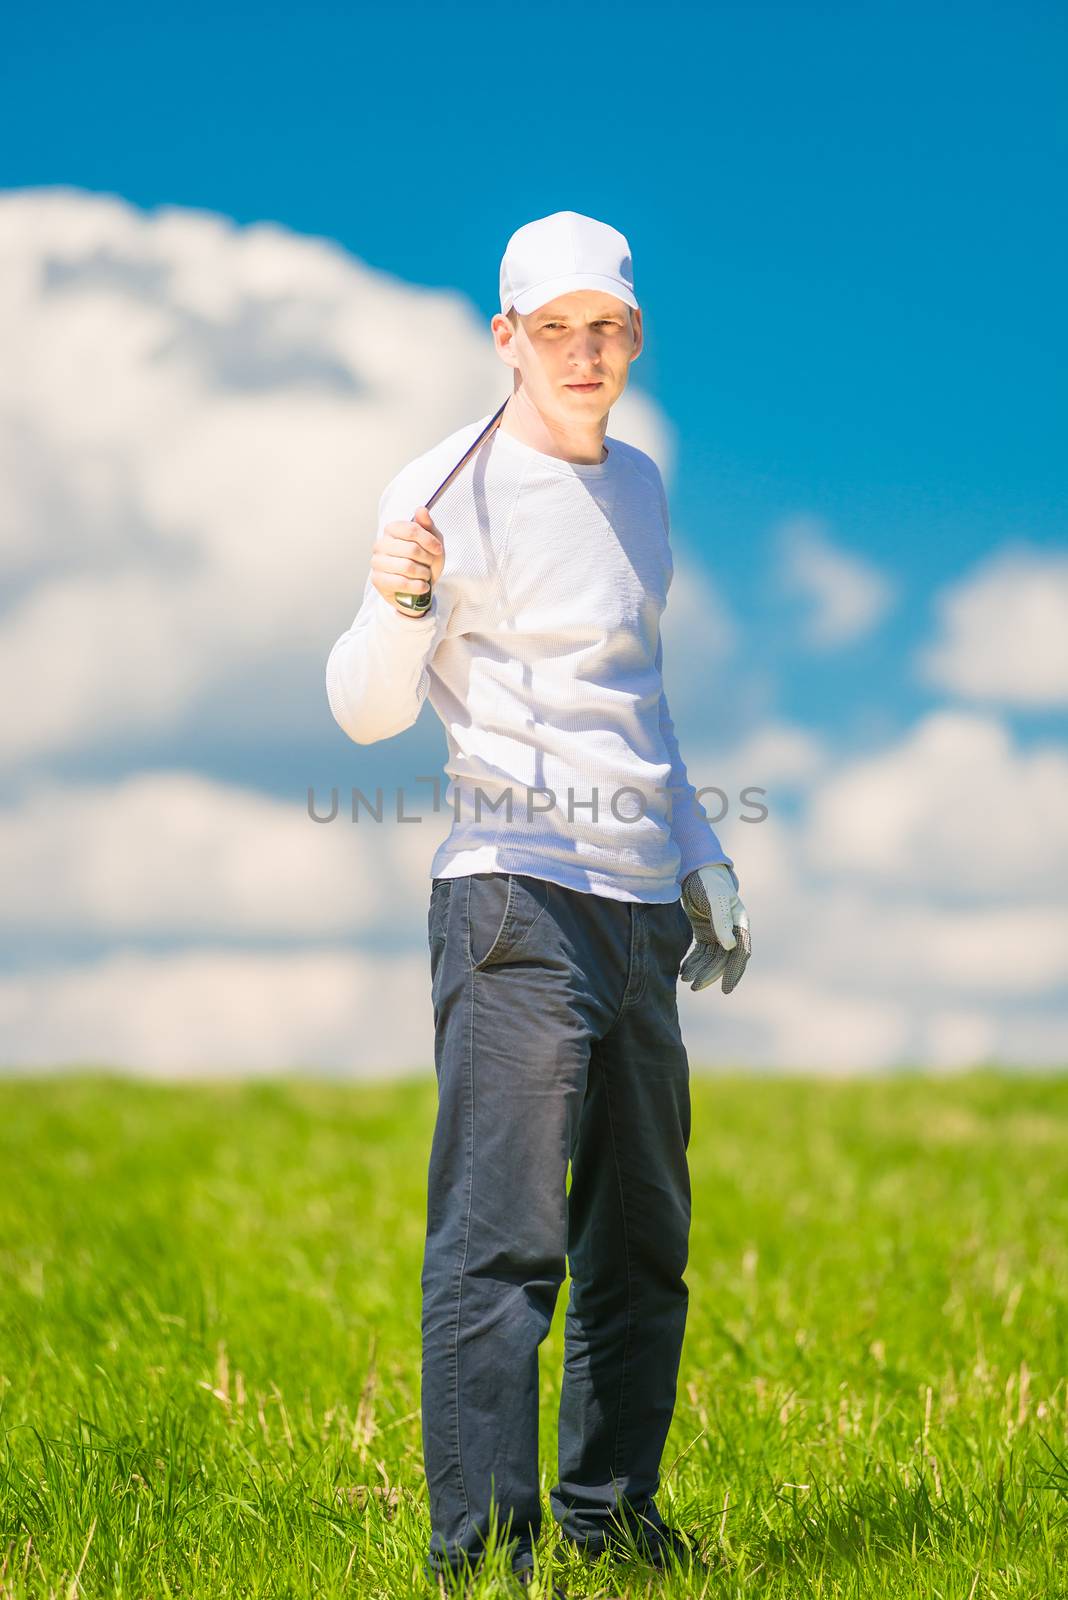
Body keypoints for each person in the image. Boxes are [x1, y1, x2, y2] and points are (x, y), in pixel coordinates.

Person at [325, 210, 751, 1593]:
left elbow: (639, 701)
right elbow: (364, 711)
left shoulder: (640, 487)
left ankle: (614, 1522)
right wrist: (395, 608)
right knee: (503, 1244)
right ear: (505, 337)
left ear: (633, 336)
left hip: (640, 914)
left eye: (608, 327)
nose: (585, 351)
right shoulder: (446, 486)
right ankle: (483, 1559)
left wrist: (700, 851)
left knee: (643, 1245)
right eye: (554, 328)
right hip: (512, 899)